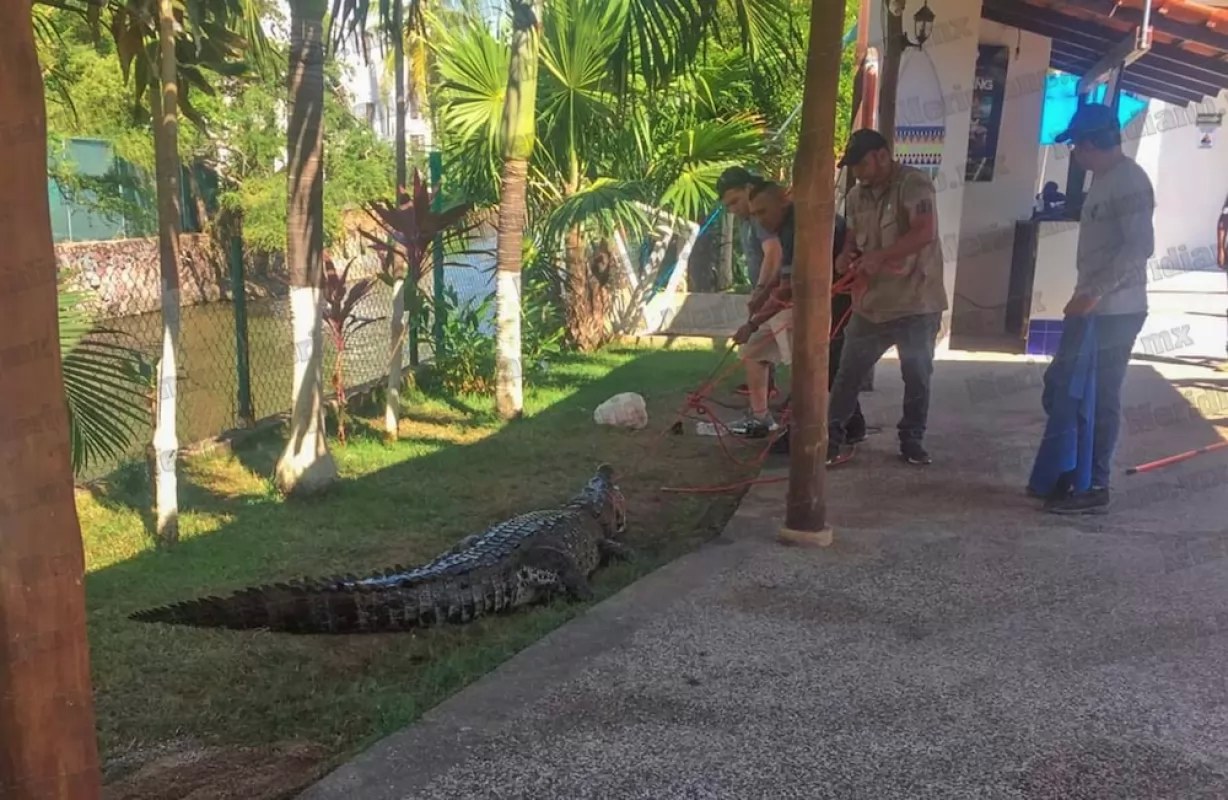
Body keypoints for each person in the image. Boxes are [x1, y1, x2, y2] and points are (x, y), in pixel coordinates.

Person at [1039, 103, 1155, 515]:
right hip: (1091, 306)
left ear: (1090, 144)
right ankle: (1074, 467)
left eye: (1075, 145)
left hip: (1116, 311)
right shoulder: (1103, 180)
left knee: (1098, 396)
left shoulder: (1130, 182)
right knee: (1060, 387)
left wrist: (1096, 293)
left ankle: (1095, 482)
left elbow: (1139, 247)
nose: (1073, 153)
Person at [827, 129, 948, 467]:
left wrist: (880, 256)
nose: (858, 172)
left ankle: (912, 439)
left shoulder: (914, 184)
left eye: (861, 163)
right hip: (872, 303)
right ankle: (832, 438)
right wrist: (845, 256)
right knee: (847, 372)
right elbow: (852, 237)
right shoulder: (855, 196)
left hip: (916, 300)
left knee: (917, 374)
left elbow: (925, 231)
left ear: (882, 155)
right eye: (853, 166)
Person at [729, 182, 866, 442]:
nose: (760, 219)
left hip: (838, 297)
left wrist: (753, 323)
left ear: (783, 202)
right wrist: (762, 291)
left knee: (818, 366)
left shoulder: (798, 225)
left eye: (763, 212)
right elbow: (785, 270)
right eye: (755, 213)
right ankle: (852, 426)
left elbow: (787, 289)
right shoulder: (787, 223)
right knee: (831, 368)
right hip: (827, 294)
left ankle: (813, 432)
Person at [716, 167, 782, 399]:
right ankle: (762, 409)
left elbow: (773, 253)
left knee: (796, 353)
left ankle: (799, 408)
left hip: (779, 294)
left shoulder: (761, 214)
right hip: (766, 294)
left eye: (735, 202)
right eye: (729, 206)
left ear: (748, 189)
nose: (734, 210)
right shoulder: (747, 220)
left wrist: (761, 291)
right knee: (754, 347)